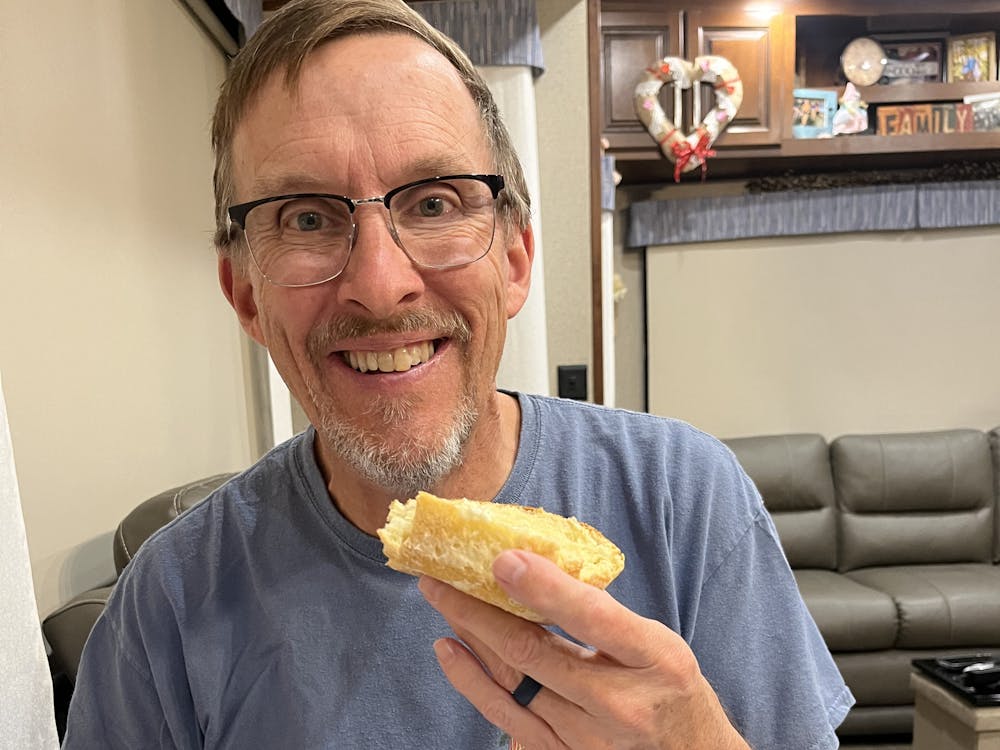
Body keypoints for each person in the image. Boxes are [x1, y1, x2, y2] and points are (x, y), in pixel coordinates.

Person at [63, 1, 853, 747]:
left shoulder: (684, 501)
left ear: (515, 260)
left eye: (435, 204)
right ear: (244, 295)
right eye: (306, 217)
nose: (380, 282)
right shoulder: (164, 609)